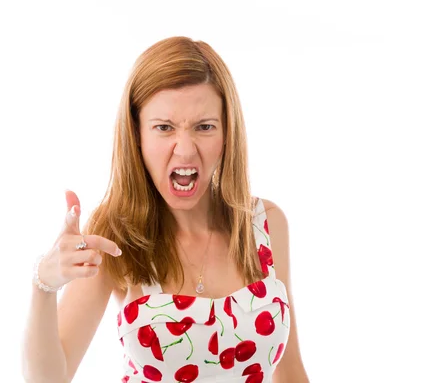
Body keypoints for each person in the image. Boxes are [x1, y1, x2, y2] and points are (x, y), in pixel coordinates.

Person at [21, 36, 310, 383]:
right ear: (137, 134)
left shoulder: (265, 224)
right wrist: (44, 286)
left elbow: (290, 373)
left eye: (204, 127)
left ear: (227, 132)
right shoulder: (115, 237)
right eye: (164, 128)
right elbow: (48, 378)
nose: (185, 150)